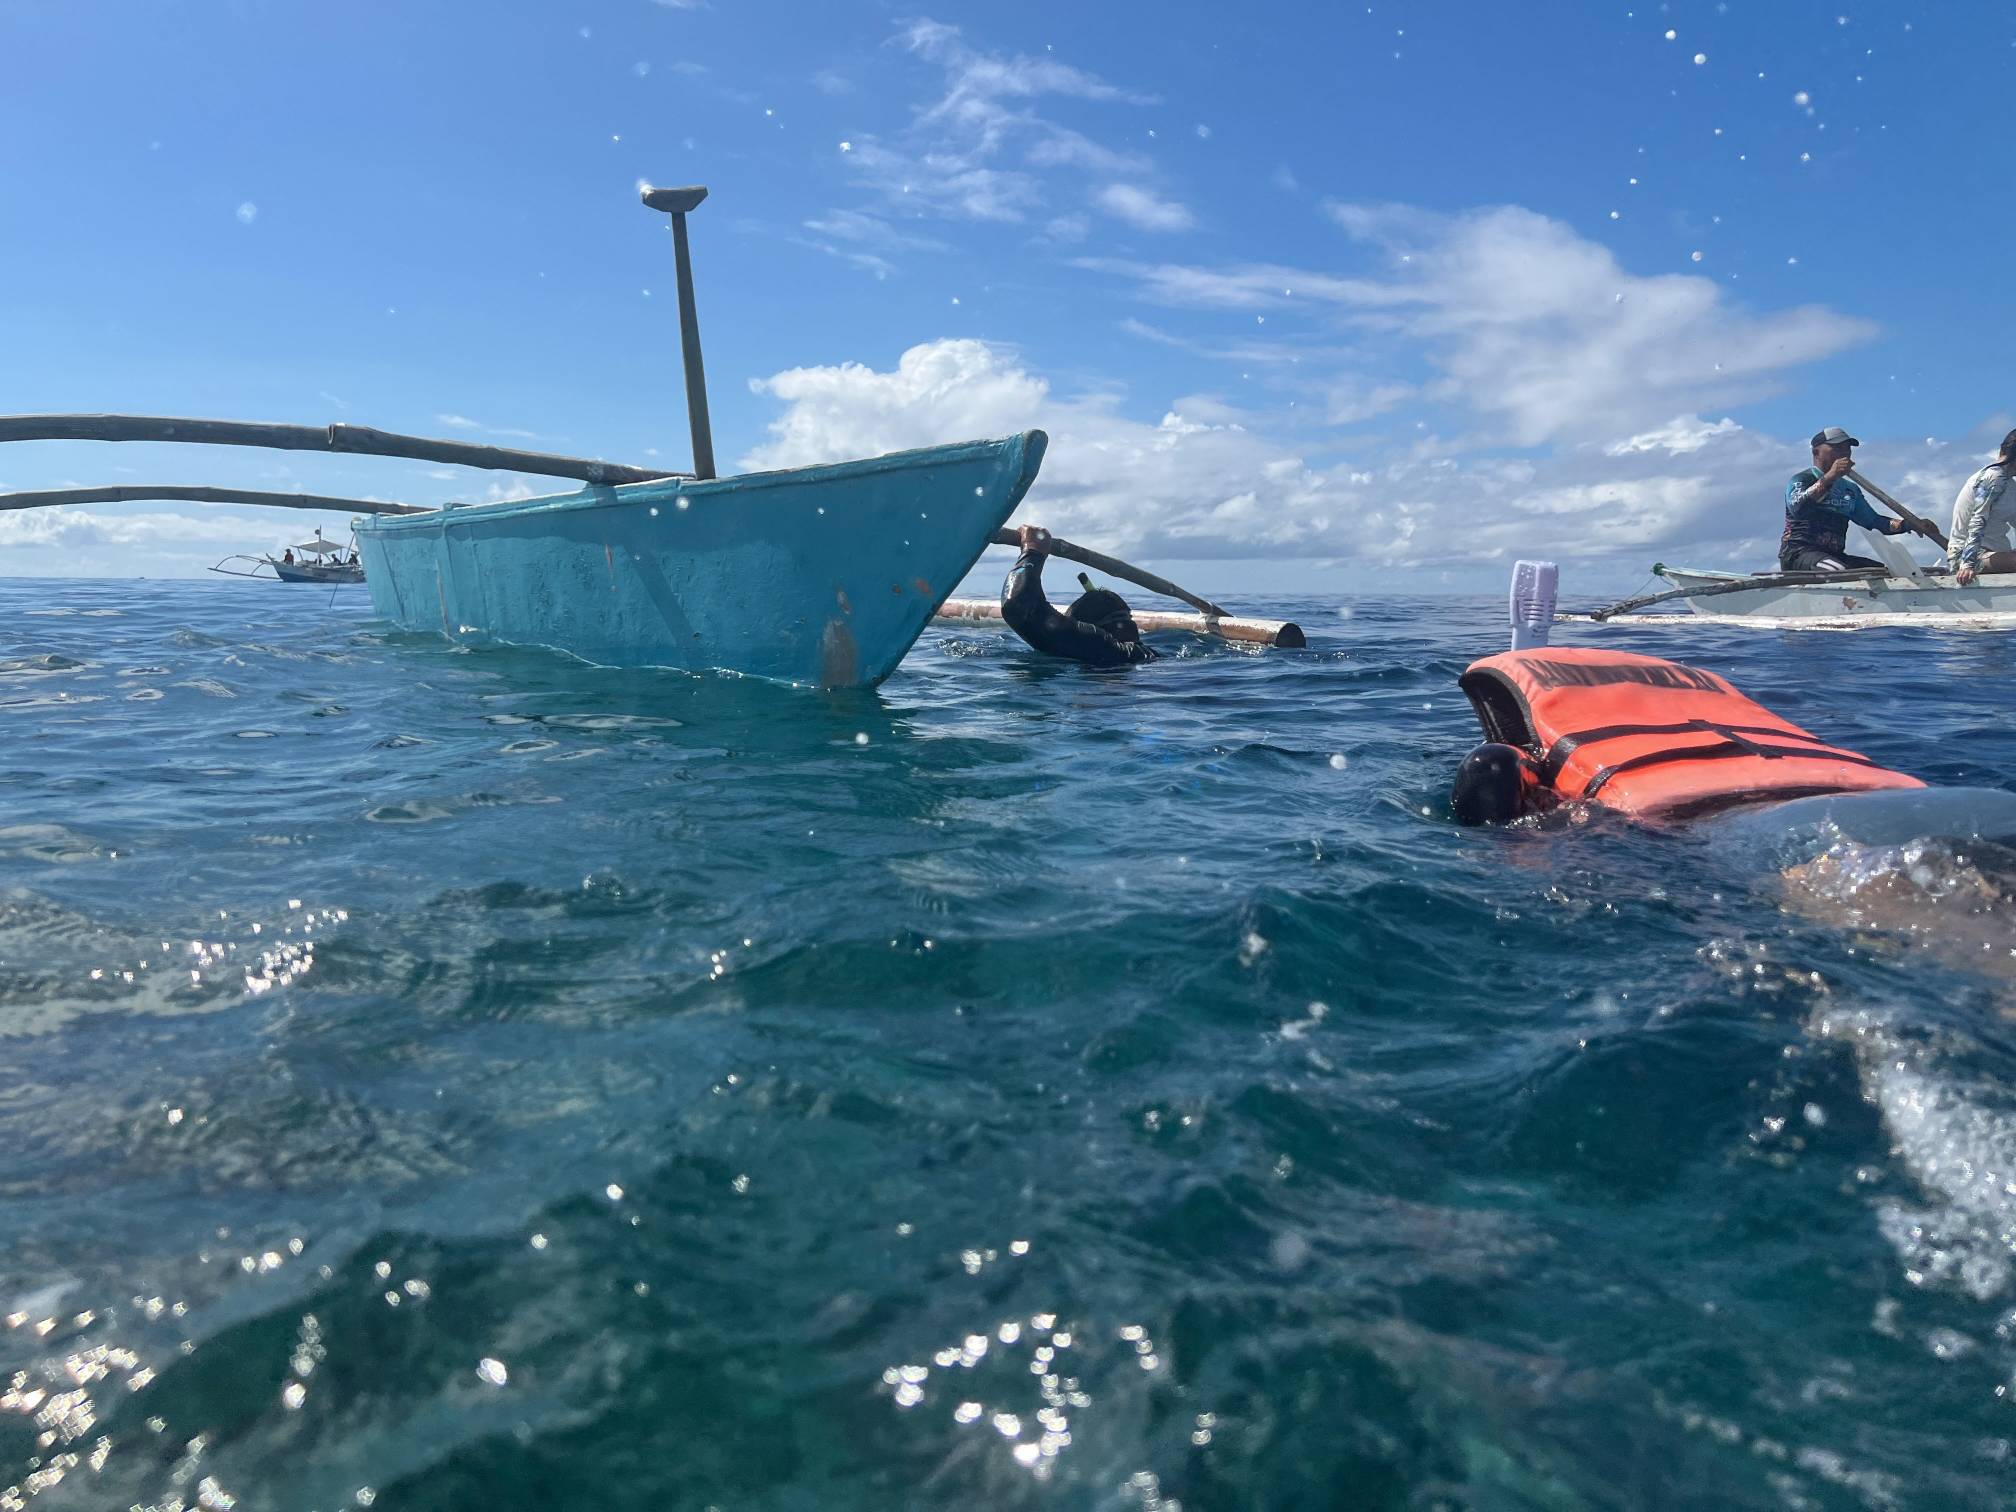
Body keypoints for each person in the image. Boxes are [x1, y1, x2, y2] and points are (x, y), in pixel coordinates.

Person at [999, 524, 1157, 666]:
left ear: (1087, 630)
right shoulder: (1146, 655)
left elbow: (1019, 606)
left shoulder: (1101, 648)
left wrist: (1032, 552)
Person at [1779, 426, 1932, 572]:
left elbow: (1874, 522)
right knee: (1837, 570)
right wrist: (1830, 477)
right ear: (1816, 452)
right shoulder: (1802, 479)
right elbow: (1799, 508)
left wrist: (1908, 524)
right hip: (1799, 554)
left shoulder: (1849, 489)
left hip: (1835, 555)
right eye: (1837, 448)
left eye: (1847, 448)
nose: (1844, 453)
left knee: (1887, 572)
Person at [1947, 428, 2016, 585]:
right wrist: (1967, 564)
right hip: (1968, 555)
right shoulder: (1993, 477)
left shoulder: (2010, 485)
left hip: (1996, 554)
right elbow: (1978, 519)